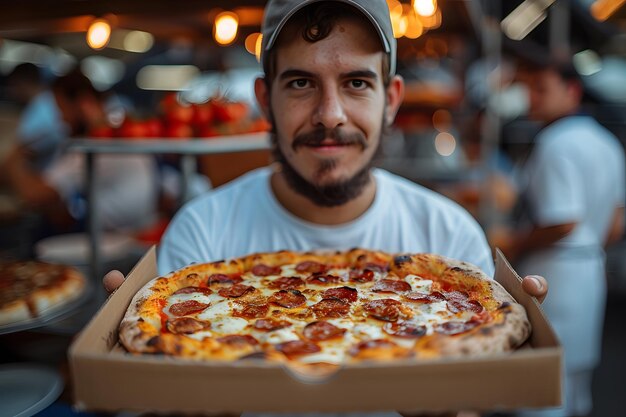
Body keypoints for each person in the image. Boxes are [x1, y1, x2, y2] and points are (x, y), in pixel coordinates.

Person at [105, 1, 548, 416]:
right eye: (301, 83)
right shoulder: (201, 231)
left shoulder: (448, 233)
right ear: (265, 101)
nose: (330, 114)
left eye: (356, 82)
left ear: (391, 99)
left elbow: (473, 400)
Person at [493, 56, 625, 417]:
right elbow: (616, 223)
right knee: (577, 380)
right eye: (530, 89)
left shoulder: (555, 141)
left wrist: (513, 243)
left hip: (556, 271)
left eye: (542, 89)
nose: (532, 98)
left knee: (543, 382)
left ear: (572, 91)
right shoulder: (608, 141)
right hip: (590, 267)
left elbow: (562, 220)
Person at [1, 68, 159, 235]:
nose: (61, 119)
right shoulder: (116, 133)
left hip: (111, 239)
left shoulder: (94, 145)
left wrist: (15, 158)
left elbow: (35, 195)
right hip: (127, 232)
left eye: (62, 109)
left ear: (84, 104)